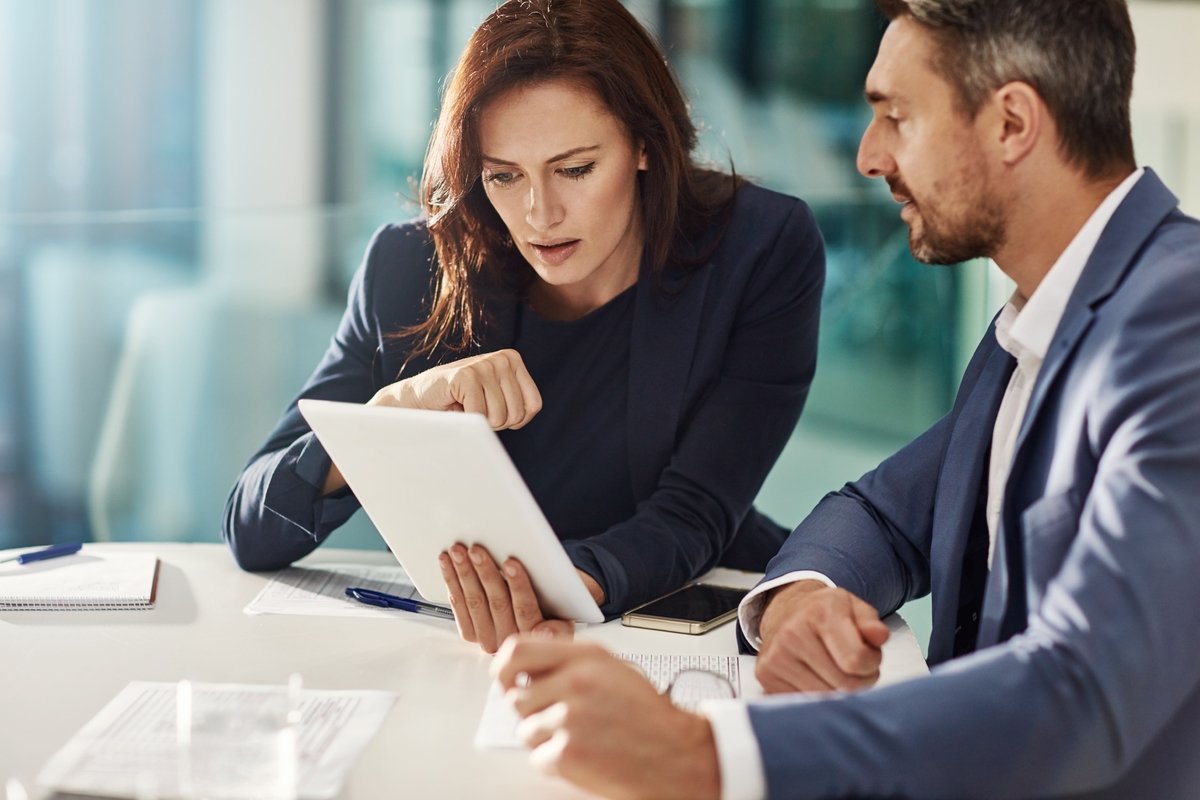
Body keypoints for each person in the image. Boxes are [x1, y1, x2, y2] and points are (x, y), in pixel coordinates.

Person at [495, 0, 1200, 797]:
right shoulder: (1042, 320)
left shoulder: (1179, 322)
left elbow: (1086, 691)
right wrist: (803, 596)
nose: (868, 156)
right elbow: (885, 513)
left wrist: (707, 753)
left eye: (896, 117)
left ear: (1012, 124)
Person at [222, 0, 825, 654]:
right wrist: (391, 412)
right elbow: (253, 526)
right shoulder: (411, 269)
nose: (541, 213)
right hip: (490, 639)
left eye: (574, 169)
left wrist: (560, 589)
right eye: (504, 176)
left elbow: (694, 514)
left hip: (684, 615)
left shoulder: (761, 250)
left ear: (646, 144)